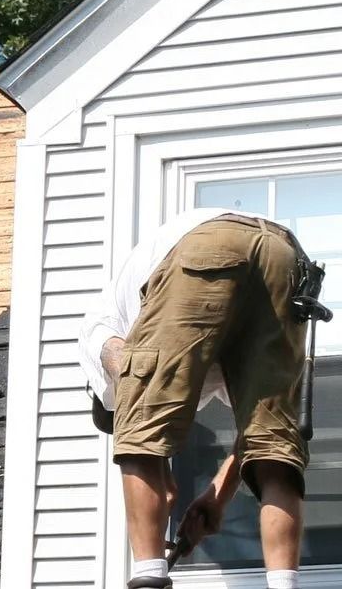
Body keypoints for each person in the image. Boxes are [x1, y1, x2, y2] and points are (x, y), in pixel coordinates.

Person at [79, 208, 323, 588]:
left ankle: (148, 577)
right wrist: (217, 497)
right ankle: (283, 583)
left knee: (142, 418)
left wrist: (160, 474)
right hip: (282, 254)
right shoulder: (203, 365)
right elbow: (254, 437)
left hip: (209, 245)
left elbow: (135, 388)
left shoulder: (97, 331)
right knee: (275, 442)